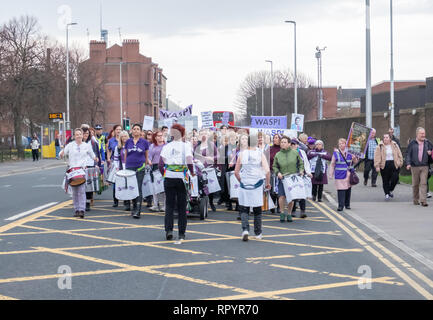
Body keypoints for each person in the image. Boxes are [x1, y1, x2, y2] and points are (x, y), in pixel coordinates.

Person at [159, 124, 195, 241]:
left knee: (169, 205)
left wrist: (164, 174)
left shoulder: (166, 146)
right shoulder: (186, 146)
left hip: (169, 176)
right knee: (181, 206)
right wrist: (192, 172)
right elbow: (189, 161)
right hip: (181, 177)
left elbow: (160, 164)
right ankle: (181, 233)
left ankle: (169, 230)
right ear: (182, 134)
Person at [234, 133, 271, 241]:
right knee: (257, 209)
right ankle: (258, 233)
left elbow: (236, 172)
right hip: (257, 183)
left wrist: (241, 181)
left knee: (244, 208)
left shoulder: (241, 153)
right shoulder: (260, 153)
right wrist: (268, 183)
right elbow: (267, 171)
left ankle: (245, 230)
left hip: (245, 183)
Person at [60, 128, 97, 218]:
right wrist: (61, 154)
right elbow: (63, 153)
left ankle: (82, 210)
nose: (78, 136)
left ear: (82, 135)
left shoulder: (86, 146)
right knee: (75, 192)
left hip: (81, 170)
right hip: (72, 171)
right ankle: (76, 210)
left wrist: (96, 159)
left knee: (81, 191)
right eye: (77, 134)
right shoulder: (70, 145)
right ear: (74, 136)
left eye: (80, 134)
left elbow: (92, 155)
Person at [273, 136, 304, 223]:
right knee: (281, 196)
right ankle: (282, 213)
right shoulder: (278, 155)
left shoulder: (295, 153)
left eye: (284, 142)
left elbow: (301, 163)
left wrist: (301, 170)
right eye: (281, 142)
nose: (282, 143)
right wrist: (277, 173)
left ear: (289, 144)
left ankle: (289, 213)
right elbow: (275, 166)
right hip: (282, 178)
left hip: (292, 178)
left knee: (291, 197)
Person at [124, 124, 150, 218]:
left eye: (137, 129)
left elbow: (146, 155)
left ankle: (138, 210)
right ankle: (134, 207)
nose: (135, 131)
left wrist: (146, 164)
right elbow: (126, 154)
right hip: (129, 167)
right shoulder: (128, 141)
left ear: (141, 132)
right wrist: (126, 165)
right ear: (131, 131)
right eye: (134, 129)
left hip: (140, 167)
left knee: (138, 188)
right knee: (131, 188)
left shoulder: (144, 142)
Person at [329, 138, 359, 211]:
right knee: (341, 190)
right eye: (340, 143)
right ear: (338, 145)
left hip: (349, 174)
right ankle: (340, 205)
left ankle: (347, 204)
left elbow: (355, 162)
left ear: (346, 144)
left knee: (348, 189)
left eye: (343, 143)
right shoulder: (336, 153)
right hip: (340, 174)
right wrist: (330, 174)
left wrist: (354, 158)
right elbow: (332, 164)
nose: (342, 145)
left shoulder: (350, 153)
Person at [405, 127, 432, 207]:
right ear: (417, 134)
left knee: (423, 183)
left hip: (425, 166)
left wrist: (430, 154)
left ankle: (423, 200)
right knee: (415, 184)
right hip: (414, 166)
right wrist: (408, 163)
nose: (423, 135)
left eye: (424, 133)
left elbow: (432, 154)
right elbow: (408, 154)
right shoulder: (412, 143)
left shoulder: (428, 143)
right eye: (421, 133)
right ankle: (415, 199)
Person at [374, 133, 403, 200]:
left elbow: (399, 154)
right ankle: (386, 194)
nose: (385, 138)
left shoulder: (395, 145)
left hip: (394, 163)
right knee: (385, 180)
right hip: (384, 165)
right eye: (384, 137)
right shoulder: (380, 146)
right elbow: (377, 156)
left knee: (395, 178)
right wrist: (377, 166)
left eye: (387, 137)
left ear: (390, 138)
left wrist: (400, 162)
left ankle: (390, 190)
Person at [194, 130, 219, 211]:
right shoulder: (197, 145)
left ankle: (211, 203)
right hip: (199, 169)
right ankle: (202, 203)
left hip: (209, 168)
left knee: (210, 187)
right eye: (201, 134)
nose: (203, 135)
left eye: (205, 134)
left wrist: (212, 158)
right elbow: (192, 155)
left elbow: (218, 156)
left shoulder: (211, 145)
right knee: (201, 186)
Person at [289, 139, 311, 219]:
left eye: (294, 144)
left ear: (297, 145)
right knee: (294, 194)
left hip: (301, 175)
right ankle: (293, 210)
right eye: (291, 144)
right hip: (292, 176)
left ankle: (303, 211)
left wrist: (308, 172)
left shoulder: (302, 152)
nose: (293, 146)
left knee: (302, 194)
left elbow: (306, 163)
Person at [82, 127, 103, 212]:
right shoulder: (77, 143)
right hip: (81, 166)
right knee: (81, 186)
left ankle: (87, 203)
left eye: (87, 133)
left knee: (89, 186)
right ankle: (82, 202)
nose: (85, 135)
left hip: (90, 165)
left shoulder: (93, 143)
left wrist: (97, 164)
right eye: (84, 133)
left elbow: (96, 154)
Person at [148, 130, 166, 212]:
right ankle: (155, 205)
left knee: (164, 188)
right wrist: (149, 161)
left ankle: (164, 205)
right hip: (155, 167)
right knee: (155, 187)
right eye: (158, 136)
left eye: (161, 135)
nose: (160, 137)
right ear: (155, 137)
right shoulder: (152, 146)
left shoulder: (167, 145)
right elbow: (149, 156)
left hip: (165, 167)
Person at [107, 125, 123, 207]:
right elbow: (109, 150)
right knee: (115, 182)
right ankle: (115, 201)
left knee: (123, 182)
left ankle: (125, 199)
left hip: (123, 163)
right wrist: (108, 159)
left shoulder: (124, 139)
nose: (118, 131)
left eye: (120, 129)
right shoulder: (111, 140)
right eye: (117, 129)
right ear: (114, 131)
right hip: (115, 162)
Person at [269, 134, 281, 214]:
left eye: (276, 138)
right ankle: (272, 205)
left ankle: (280, 206)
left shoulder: (283, 149)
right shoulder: (270, 149)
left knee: (279, 189)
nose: (274, 139)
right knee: (272, 189)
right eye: (274, 138)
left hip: (281, 172)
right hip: (271, 171)